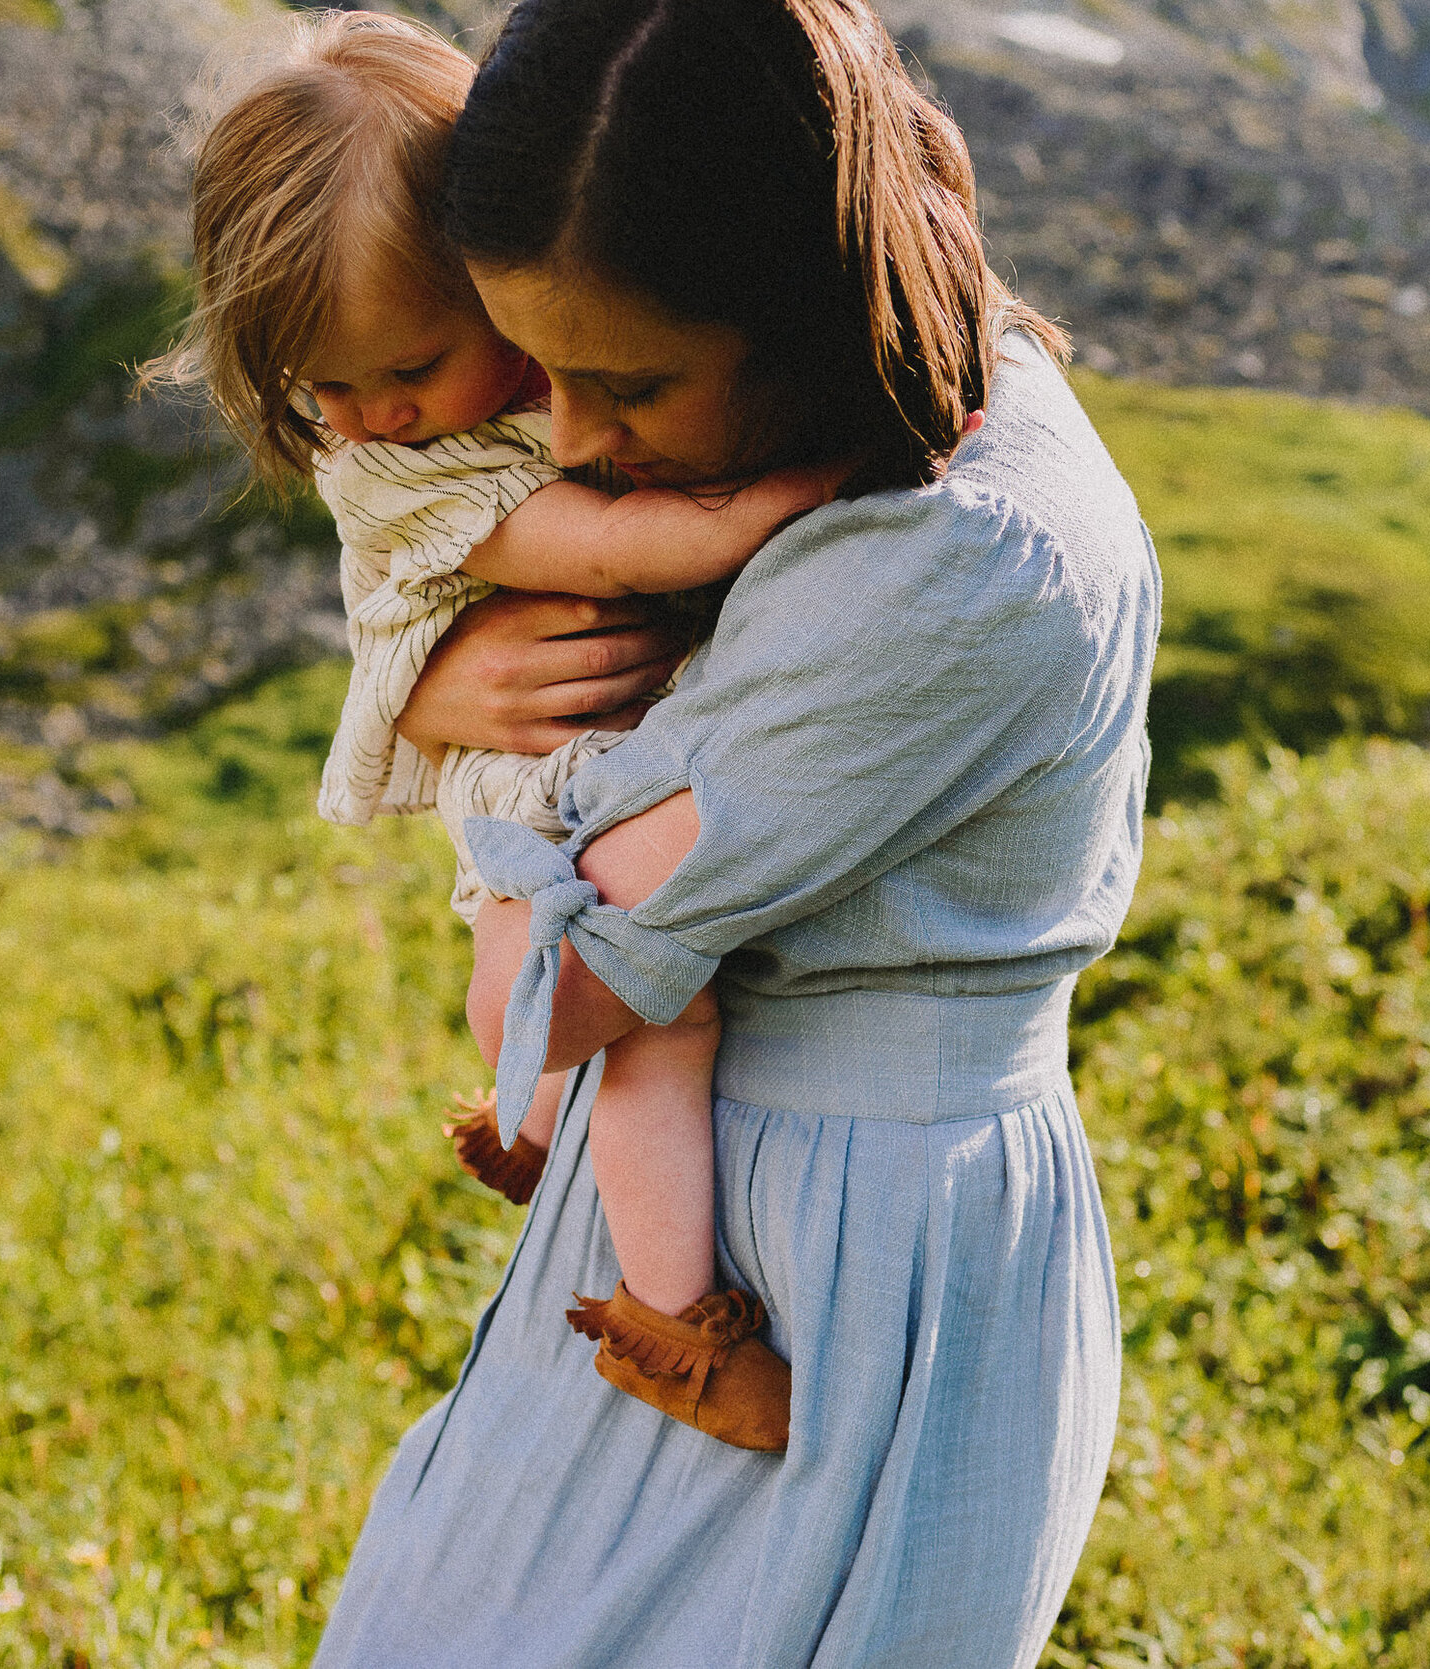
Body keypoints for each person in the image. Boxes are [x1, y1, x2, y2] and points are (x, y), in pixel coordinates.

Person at [311, 0, 1162, 1662]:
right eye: (536, 370)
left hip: (853, 1279)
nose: (565, 443)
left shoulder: (960, 562)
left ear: (798, 305)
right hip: (743, 1220)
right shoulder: (875, 419)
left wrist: (459, 724)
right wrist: (438, 671)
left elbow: (550, 998)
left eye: (626, 382)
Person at [146, 9, 838, 1448]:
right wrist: (789, 500)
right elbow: (611, 549)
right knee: (655, 1023)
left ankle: (523, 1125)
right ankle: (673, 1324)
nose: (371, 411)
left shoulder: (547, 350)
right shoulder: (388, 471)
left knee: (624, 1005)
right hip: (541, 820)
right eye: (323, 389)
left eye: (404, 363)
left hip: (617, 771)